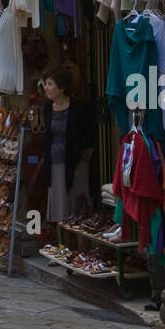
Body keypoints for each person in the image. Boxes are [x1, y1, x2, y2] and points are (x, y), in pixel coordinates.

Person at [42, 66, 97, 225]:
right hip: (54, 163)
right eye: (46, 83)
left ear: (62, 88)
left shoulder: (79, 109)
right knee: (59, 205)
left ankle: (81, 245)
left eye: (50, 84)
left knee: (78, 204)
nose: (46, 88)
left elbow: (89, 137)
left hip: (75, 164)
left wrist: (84, 159)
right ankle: (62, 245)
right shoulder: (47, 108)